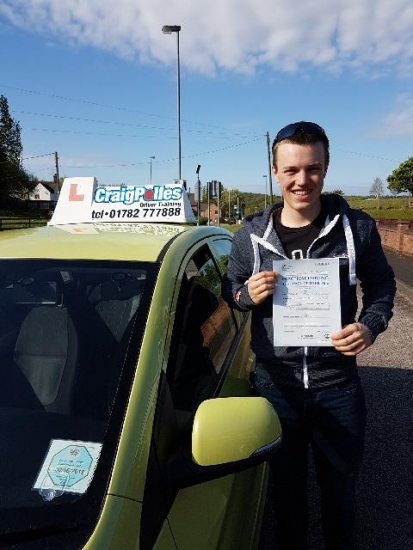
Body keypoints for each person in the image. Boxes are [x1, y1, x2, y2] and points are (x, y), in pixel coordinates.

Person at [222, 121, 396, 550]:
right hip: (275, 387)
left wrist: (369, 327)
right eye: (292, 170)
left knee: (340, 495)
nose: (303, 181)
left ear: (326, 168)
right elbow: (231, 289)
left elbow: (382, 286)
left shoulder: (357, 229)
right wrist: (247, 294)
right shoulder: (250, 236)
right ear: (275, 172)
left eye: (313, 169)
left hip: (337, 385)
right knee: (286, 497)